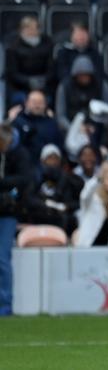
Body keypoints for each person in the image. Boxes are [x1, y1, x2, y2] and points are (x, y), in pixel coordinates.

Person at [0, 122, 33, 316]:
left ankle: (5, 304)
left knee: (2, 258)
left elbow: (25, 179)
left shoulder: (20, 154)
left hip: (9, 212)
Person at [74, 161, 108, 247]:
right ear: (104, 180)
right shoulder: (94, 198)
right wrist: (98, 177)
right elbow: (84, 195)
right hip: (87, 245)